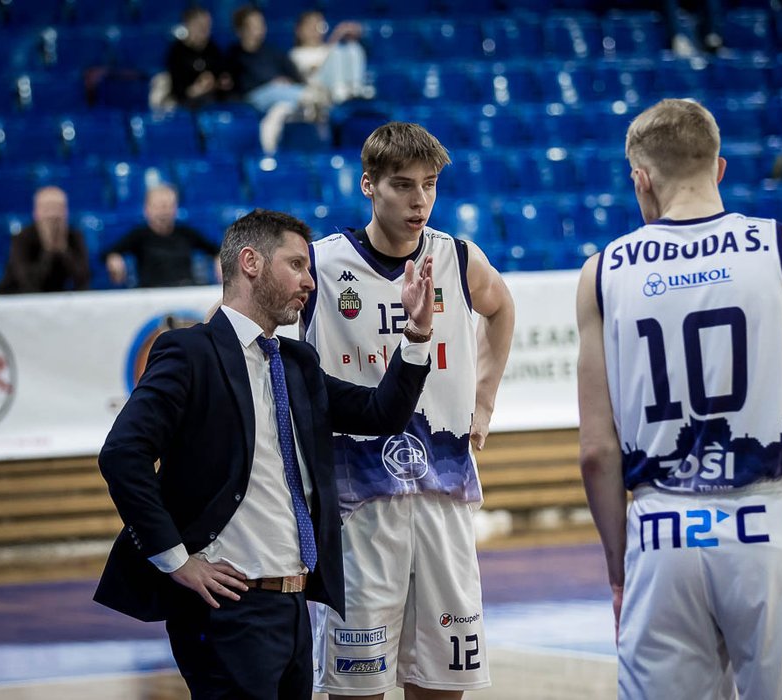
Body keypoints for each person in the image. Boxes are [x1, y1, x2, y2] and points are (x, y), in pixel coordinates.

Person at [576, 98, 782, 699]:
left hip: (660, 535)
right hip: (772, 530)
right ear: (719, 169)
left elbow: (597, 453)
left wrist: (618, 570)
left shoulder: (602, 273)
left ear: (641, 179)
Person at [93, 208, 435, 699]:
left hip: (294, 605)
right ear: (250, 262)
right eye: (296, 265)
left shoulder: (296, 361)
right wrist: (177, 559)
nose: (310, 282)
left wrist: (417, 336)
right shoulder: (189, 352)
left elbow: (381, 415)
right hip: (228, 609)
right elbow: (123, 454)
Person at [303, 122, 515, 699]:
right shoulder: (320, 265)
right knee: (358, 689)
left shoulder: (459, 258)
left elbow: (502, 309)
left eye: (430, 185)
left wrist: (484, 399)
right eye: (403, 185)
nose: (420, 199)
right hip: (358, 507)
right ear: (368, 185)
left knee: (444, 685)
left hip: (443, 499)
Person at [227, 5, 324, 153]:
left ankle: (270, 152)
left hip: (283, 96)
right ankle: (313, 99)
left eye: (261, 24)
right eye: (253, 26)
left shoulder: (273, 52)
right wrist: (272, 83)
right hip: (253, 98)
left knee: (280, 109)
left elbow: (295, 77)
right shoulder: (234, 55)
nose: (259, 29)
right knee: (281, 91)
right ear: (241, 30)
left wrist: (286, 83)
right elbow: (237, 85)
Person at [103, 185, 222, 288]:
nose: (163, 212)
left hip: (185, 290)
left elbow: (215, 249)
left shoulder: (186, 233)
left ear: (175, 209)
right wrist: (114, 257)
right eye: (158, 207)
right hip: (151, 293)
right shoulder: (139, 235)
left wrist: (219, 259)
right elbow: (108, 252)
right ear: (147, 209)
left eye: (168, 206)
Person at [0, 186, 90, 294]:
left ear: (66, 212)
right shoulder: (22, 238)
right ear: (36, 213)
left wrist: (64, 250)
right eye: (47, 209)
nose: (53, 215)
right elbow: (28, 283)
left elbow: (83, 279)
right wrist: (48, 252)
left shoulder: (74, 236)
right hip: (18, 297)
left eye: (58, 208)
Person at [290, 10, 374, 105]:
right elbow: (310, 73)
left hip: (345, 90)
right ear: (299, 30)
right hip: (318, 93)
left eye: (318, 26)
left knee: (353, 47)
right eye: (310, 26)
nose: (314, 30)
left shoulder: (327, 49)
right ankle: (339, 91)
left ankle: (355, 88)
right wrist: (338, 34)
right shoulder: (296, 54)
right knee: (335, 51)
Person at [165, 6, 233, 109]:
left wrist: (218, 81)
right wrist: (197, 88)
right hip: (188, 102)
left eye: (207, 26)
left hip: (213, 97)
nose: (205, 30)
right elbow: (178, 91)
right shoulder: (177, 52)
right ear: (188, 25)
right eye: (200, 26)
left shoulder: (213, 49)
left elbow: (223, 76)